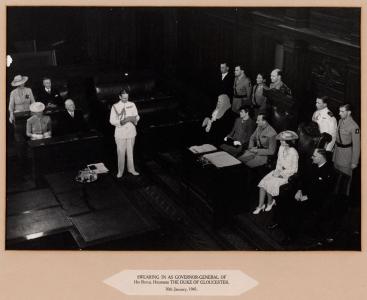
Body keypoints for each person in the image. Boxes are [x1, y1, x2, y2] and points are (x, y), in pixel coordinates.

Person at [253, 130, 299, 214]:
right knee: (262, 183)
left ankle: (270, 202)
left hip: (287, 175)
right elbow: (278, 161)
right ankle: (260, 206)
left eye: (282, 140)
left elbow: (294, 169)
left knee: (269, 184)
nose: (280, 141)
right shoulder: (281, 148)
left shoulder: (294, 152)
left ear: (287, 142)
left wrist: (281, 174)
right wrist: (276, 171)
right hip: (278, 171)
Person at [110, 89, 140, 178]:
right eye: (123, 98)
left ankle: (131, 169)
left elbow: (137, 116)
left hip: (131, 132)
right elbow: (111, 121)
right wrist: (121, 122)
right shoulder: (115, 106)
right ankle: (120, 171)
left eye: (127, 98)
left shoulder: (132, 104)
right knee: (121, 152)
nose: (125, 100)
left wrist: (135, 119)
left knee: (130, 152)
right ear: (119, 97)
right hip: (120, 133)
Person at [332, 103, 360, 196]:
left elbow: (356, 145)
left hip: (346, 158)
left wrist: (354, 162)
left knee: (345, 182)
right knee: (336, 180)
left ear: (349, 112)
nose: (339, 113)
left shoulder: (354, 127)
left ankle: (343, 201)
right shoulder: (340, 121)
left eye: (342, 111)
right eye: (339, 111)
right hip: (337, 154)